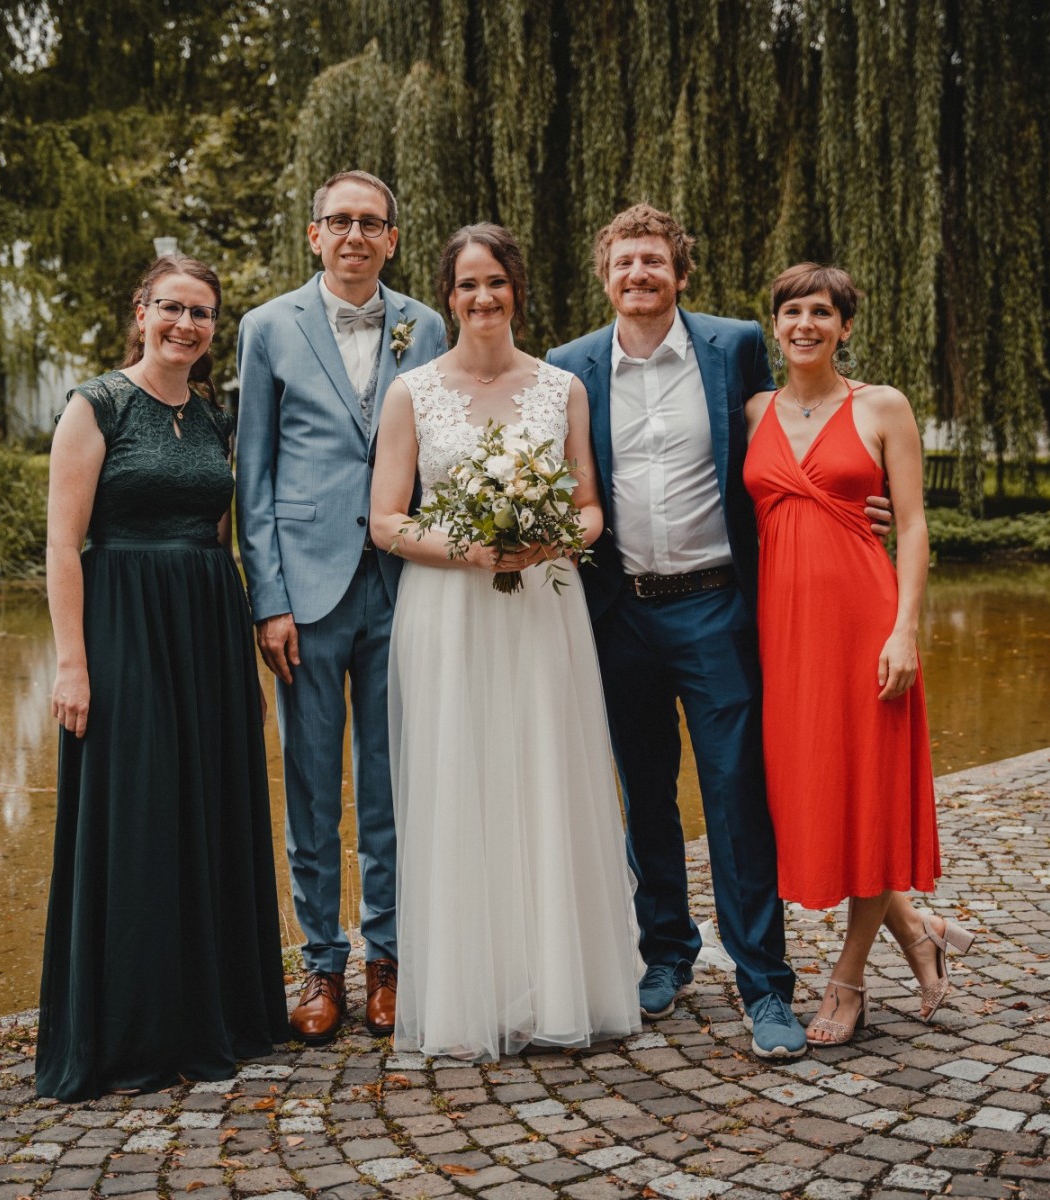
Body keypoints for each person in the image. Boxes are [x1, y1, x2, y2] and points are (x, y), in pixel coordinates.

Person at [545, 205, 892, 1060]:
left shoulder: (732, 346)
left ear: (680, 273)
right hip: (619, 609)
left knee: (738, 794)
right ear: (605, 275)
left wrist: (853, 504)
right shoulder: (570, 366)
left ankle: (765, 984)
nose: (639, 275)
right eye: (625, 262)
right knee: (645, 793)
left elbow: (794, 431)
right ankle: (666, 951)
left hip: (716, 606)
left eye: (653, 261)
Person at [369, 223, 640, 1060]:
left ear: (517, 289)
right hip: (448, 612)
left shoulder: (562, 388)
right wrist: (472, 550)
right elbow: (385, 521)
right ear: (448, 297)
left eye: (495, 282)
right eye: (466, 284)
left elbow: (590, 508)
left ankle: (553, 985)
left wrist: (551, 537)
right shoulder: (412, 392)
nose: (482, 297)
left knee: (542, 776)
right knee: (462, 781)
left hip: (540, 611)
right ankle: (469, 993)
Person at [37, 254, 288, 1099]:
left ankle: (215, 1015)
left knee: (210, 811)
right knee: (140, 813)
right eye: (172, 308)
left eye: (202, 313)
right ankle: (133, 1032)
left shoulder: (215, 417)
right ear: (141, 311)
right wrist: (72, 664)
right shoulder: (96, 405)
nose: (187, 324)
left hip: (206, 627)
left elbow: (220, 535)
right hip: (124, 626)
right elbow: (61, 546)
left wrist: (239, 654)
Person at [236, 171, 449, 1043]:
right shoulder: (266, 327)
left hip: (406, 586)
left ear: (393, 238)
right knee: (312, 787)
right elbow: (252, 475)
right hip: (308, 593)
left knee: (393, 786)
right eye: (340, 221)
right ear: (314, 234)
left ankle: (387, 961)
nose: (355, 235)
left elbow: (442, 455)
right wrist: (270, 601)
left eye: (371, 223)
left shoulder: (426, 326)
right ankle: (321, 964)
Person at [743, 262, 969, 1046]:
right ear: (774, 324)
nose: (804, 324)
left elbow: (911, 524)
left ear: (844, 326)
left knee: (869, 793)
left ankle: (847, 981)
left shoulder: (882, 406)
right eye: (791, 311)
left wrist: (905, 629)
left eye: (821, 312)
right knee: (813, 795)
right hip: (783, 631)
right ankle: (919, 932)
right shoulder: (753, 411)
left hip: (865, 623)